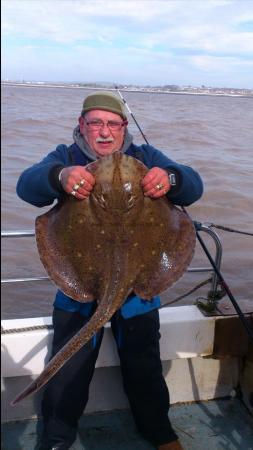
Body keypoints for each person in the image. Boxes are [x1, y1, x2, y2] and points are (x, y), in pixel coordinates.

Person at [16, 91, 203, 450]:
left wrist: (172, 179)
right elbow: (28, 185)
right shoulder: (66, 156)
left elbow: (193, 185)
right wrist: (59, 176)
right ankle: (57, 437)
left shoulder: (147, 157)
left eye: (112, 123)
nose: (104, 132)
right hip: (79, 285)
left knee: (144, 364)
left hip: (139, 287)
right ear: (82, 126)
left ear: (124, 127)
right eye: (95, 123)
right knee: (70, 366)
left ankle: (158, 431)